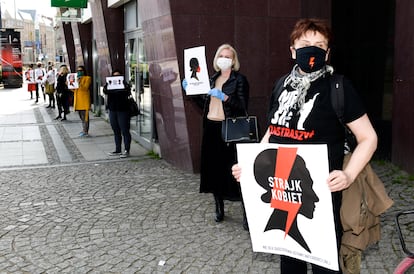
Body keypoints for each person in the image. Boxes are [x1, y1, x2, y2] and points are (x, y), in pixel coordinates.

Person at [232, 18, 378, 273]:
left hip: (320, 195)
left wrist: (348, 174)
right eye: (305, 43)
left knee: (325, 264)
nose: (313, 50)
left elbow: (368, 138)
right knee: (290, 261)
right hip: (281, 191)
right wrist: (249, 164)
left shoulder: (338, 87)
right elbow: (274, 131)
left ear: (328, 52)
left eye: (320, 45)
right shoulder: (281, 85)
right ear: (292, 50)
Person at [183, 44, 250, 229]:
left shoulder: (240, 80)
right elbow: (204, 103)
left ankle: (246, 213)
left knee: (235, 172)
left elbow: (242, 106)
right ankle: (219, 208)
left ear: (234, 60)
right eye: (221, 55)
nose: (224, 58)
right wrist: (189, 90)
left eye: (228, 56)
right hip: (211, 128)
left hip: (230, 130)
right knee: (214, 170)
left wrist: (225, 97)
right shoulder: (212, 79)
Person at [103, 69, 132, 158]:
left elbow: (127, 91)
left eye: (117, 76)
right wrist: (108, 85)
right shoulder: (109, 85)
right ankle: (118, 149)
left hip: (123, 110)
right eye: (114, 76)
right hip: (113, 110)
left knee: (125, 130)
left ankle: (127, 150)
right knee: (116, 130)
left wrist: (122, 86)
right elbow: (105, 91)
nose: (116, 78)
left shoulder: (124, 84)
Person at [72, 65, 92, 137]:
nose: (79, 72)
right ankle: (84, 129)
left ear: (84, 71)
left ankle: (85, 131)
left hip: (84, 101)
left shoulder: (87, 78)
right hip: (78, 101)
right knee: (81, 117)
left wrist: (79, 82)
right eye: (78, 71)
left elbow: (85, 88)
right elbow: (74, 90)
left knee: (85, 117)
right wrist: (70, 85)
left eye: (81, 70)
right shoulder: (76, 79)